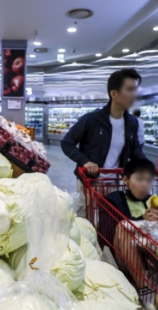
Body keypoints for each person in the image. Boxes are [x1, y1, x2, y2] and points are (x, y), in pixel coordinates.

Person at [61, 68, 145, 214]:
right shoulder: (92, 119)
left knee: (109, 222)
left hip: (115, 183)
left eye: (135, 89)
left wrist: (147, 167)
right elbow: (67, 142)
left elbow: (135, 150)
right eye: (130, 89)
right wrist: (84, 161)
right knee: (86, 222)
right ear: (114, 94)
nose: (134, 95)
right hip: (90, 182)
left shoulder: (132, 123)